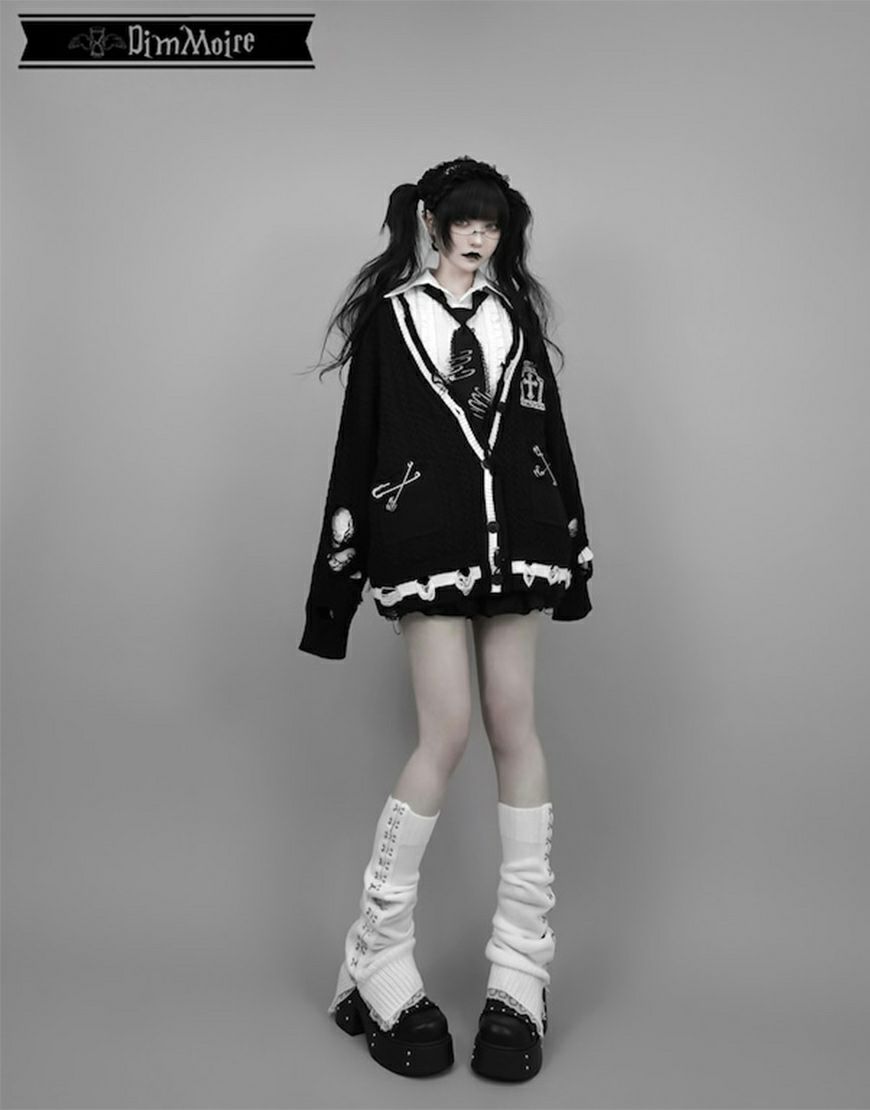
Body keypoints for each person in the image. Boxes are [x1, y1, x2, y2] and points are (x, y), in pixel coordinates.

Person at [298, 156, 594, 1081]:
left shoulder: (516, 318)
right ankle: (376, 951)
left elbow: (550, 437)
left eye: (492, 223)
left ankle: (520, 972)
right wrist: (334, 591)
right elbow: (358, 447)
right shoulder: (391, 322)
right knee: (448, 732)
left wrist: (573, 549)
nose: (478, 237)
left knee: (516, 726)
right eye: (464, 220)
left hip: (521, 545)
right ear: (430, 222)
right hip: (427, 546)